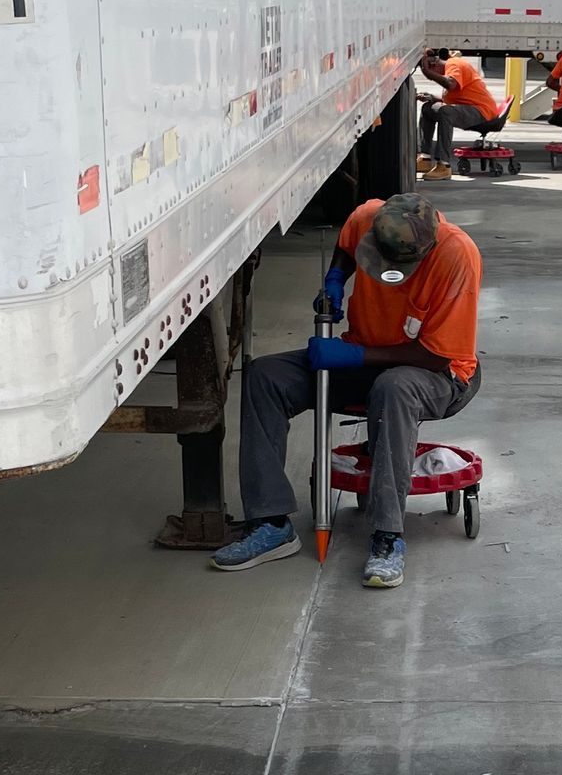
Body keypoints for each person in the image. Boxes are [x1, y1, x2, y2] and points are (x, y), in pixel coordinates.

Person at [212, 193, 481, 590]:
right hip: (367, 359)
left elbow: (437, 356)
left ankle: (388, 536)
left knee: (394, 387)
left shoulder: (457, 256)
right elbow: (345, 245)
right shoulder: (369, 218)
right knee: (265, 376)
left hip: (438, 374)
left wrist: (352, 355)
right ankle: (270, 522)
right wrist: (335, 280)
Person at [415, 48, 505, 177]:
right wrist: (433, 98)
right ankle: (425, 158)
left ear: (433, 64)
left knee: (445, 112)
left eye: (432, 72)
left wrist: (428, 72)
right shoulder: (451, 68)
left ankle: (444, 165)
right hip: (470, 109)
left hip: (482, 111)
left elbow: (450, 84)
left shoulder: (454, 63)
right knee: (428, 108)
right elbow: (460, 97)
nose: (433, 78)